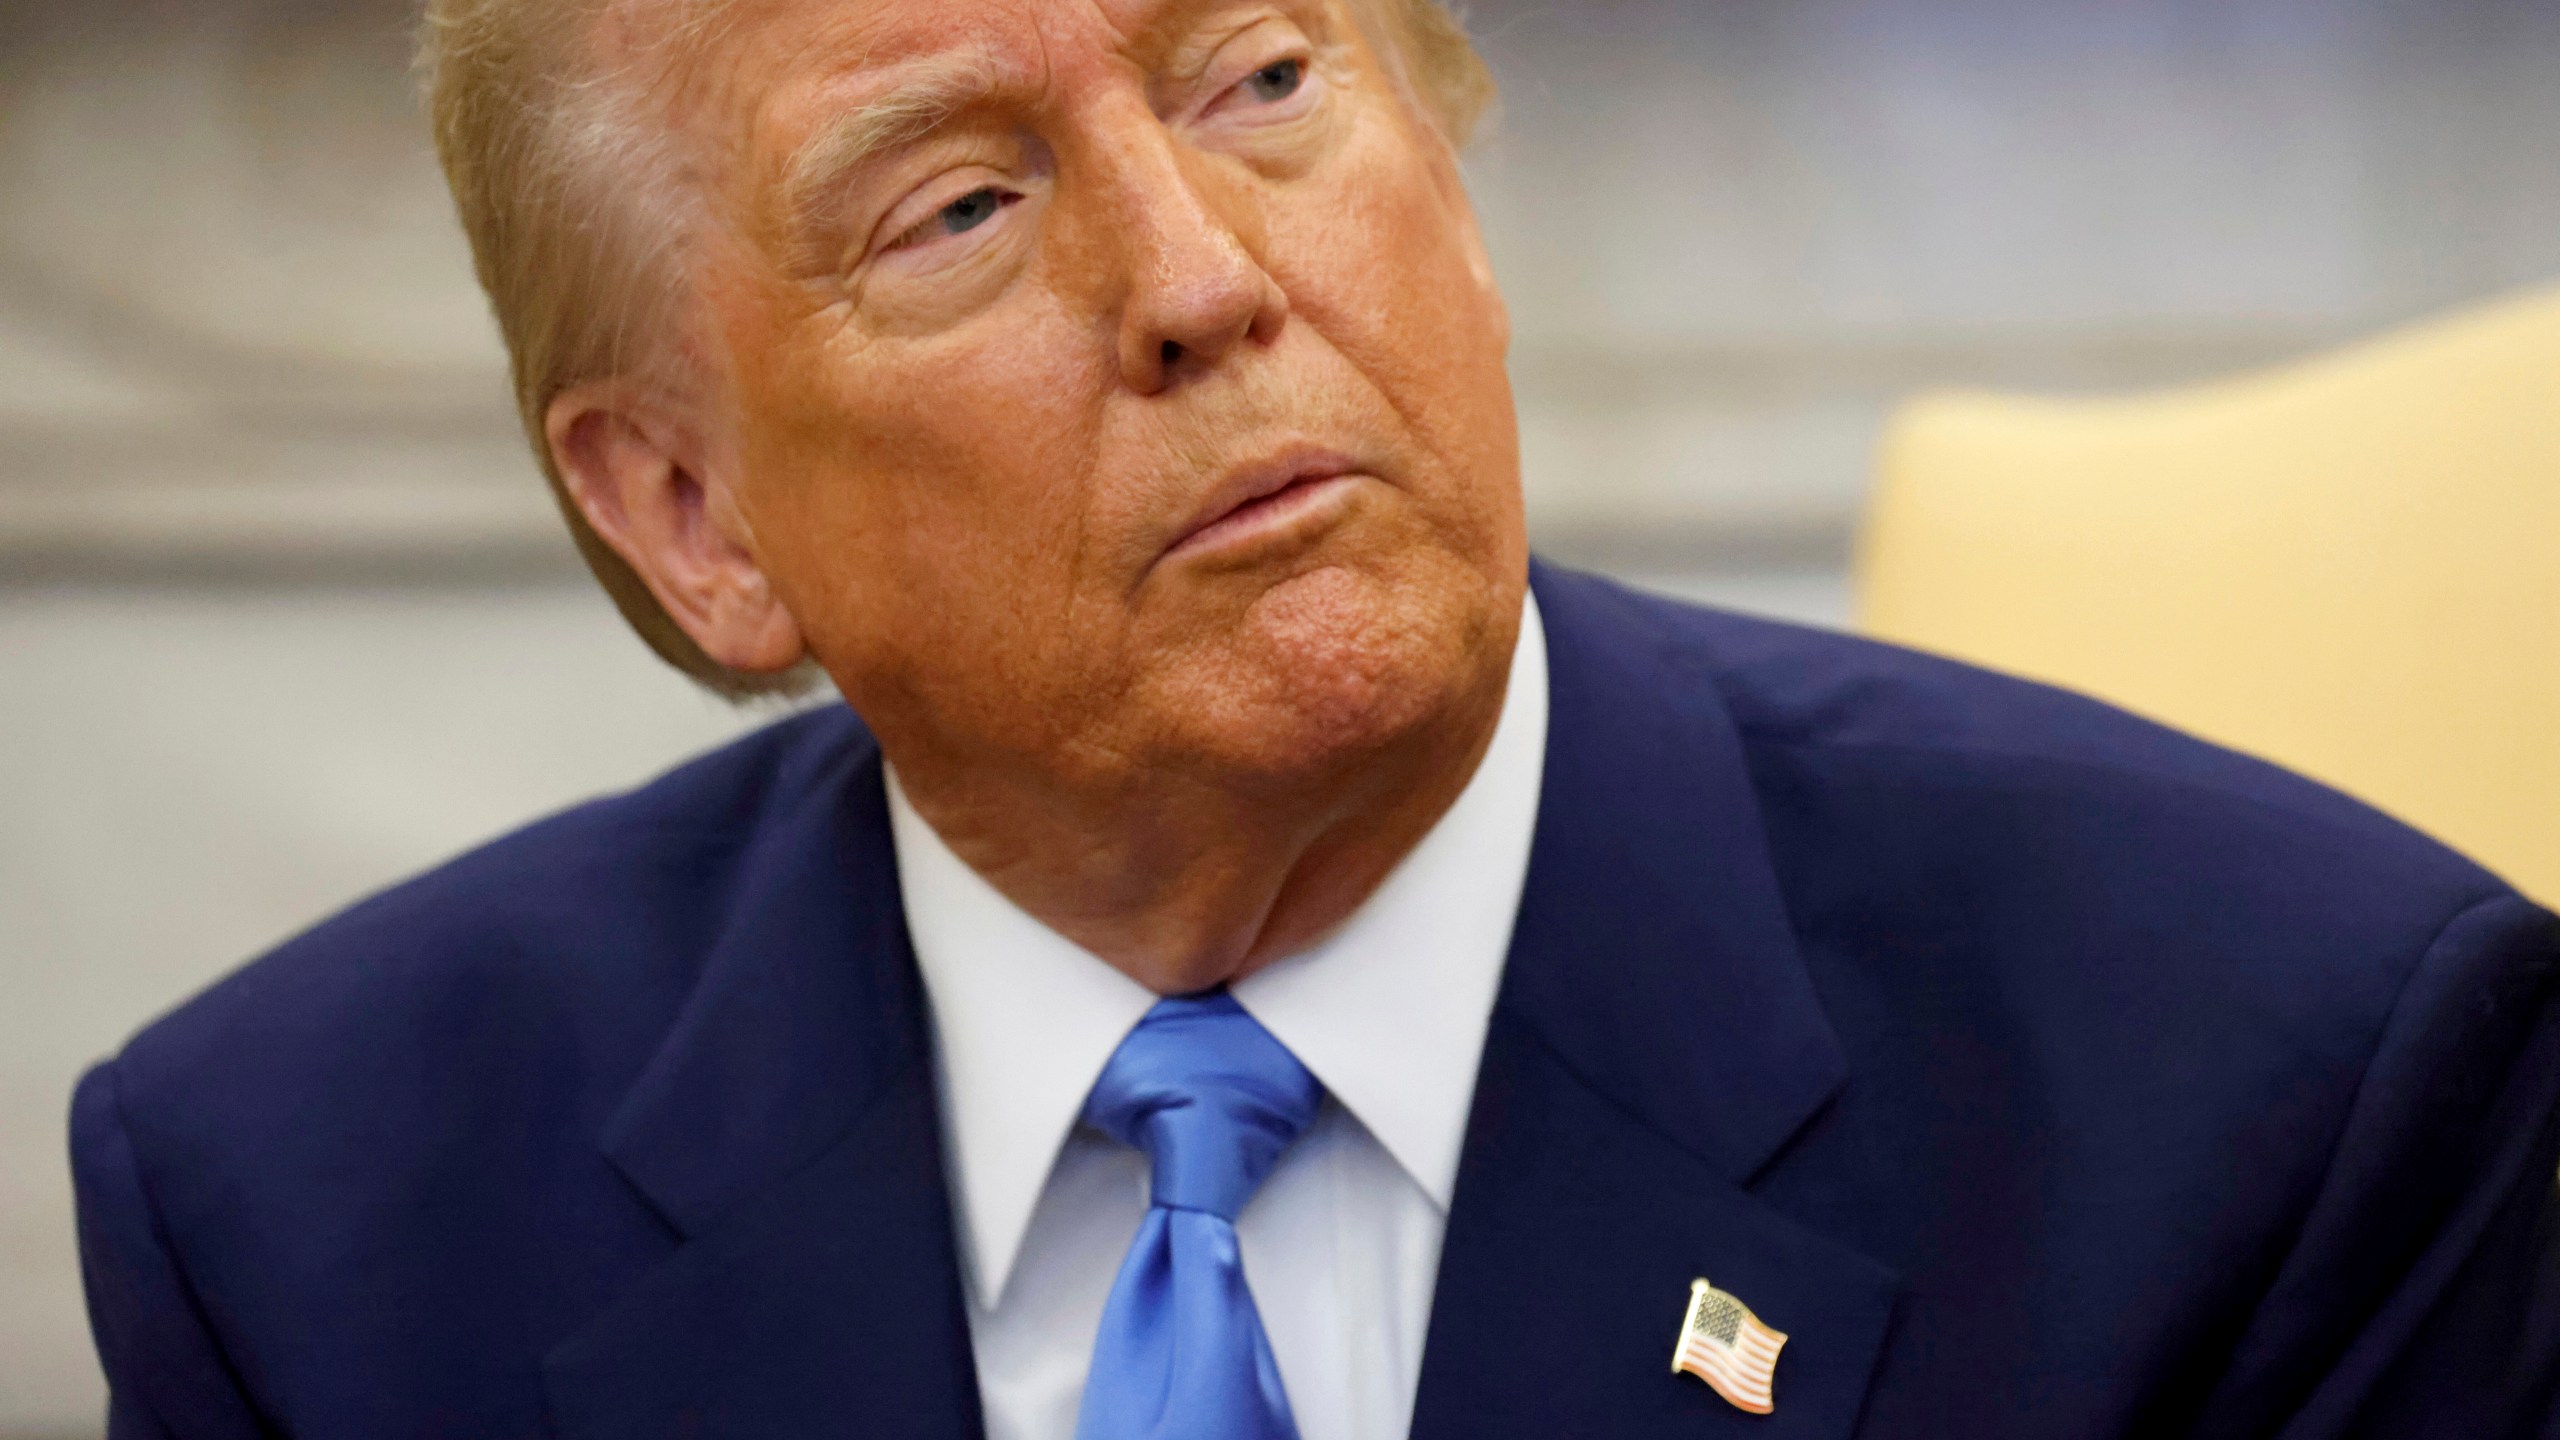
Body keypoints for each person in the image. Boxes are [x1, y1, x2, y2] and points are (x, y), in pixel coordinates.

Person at [68, 0, 2560, 1434]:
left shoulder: (2279, 1093)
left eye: (1261, 77)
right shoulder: (311, 1218)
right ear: (692, 516)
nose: (1197, 278)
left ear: (1455, 195)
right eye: (956, 207)